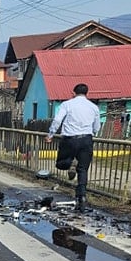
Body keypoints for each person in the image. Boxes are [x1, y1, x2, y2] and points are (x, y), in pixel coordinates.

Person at [46, 83, 101, 212]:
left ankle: (70, 164)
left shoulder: (67, 104)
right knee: (83, 169)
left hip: (69, 139)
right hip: (86, 139)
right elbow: (97, 126)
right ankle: (82, 196)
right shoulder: (94, 107)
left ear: (73, 93)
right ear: (87, 93)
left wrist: (50, 134)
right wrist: (92, 133)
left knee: (61, 164)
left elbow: (57, 120)